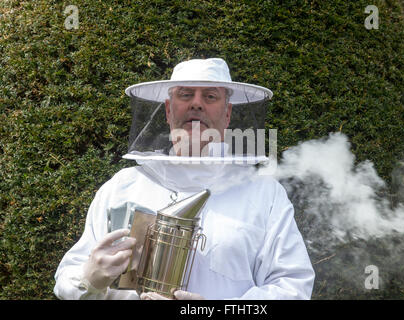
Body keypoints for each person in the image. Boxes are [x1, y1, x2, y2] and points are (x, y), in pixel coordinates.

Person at [53, 58, 315, 300]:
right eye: (185, 94)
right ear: (168, 110)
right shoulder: (123, 186)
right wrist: (88, 280)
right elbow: (66, 280)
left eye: (210, 96)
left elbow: (293, 287)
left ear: (227, 114)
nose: (197, 103)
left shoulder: (264, 193)